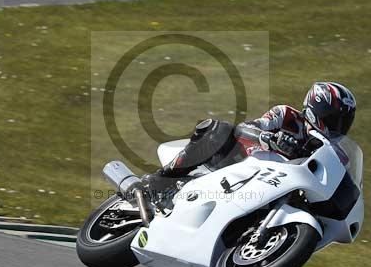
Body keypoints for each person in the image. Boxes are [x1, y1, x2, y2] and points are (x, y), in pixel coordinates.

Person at [142, 81, 357, 194]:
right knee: (219, 129)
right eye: (333, 119)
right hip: (236, 164)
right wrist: (269, 139)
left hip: (269, 185)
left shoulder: (327, 151)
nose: (336, 127)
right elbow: (246, 128)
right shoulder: (287, 115)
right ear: (317, 108)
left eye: (341, 123)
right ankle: (160, 179)